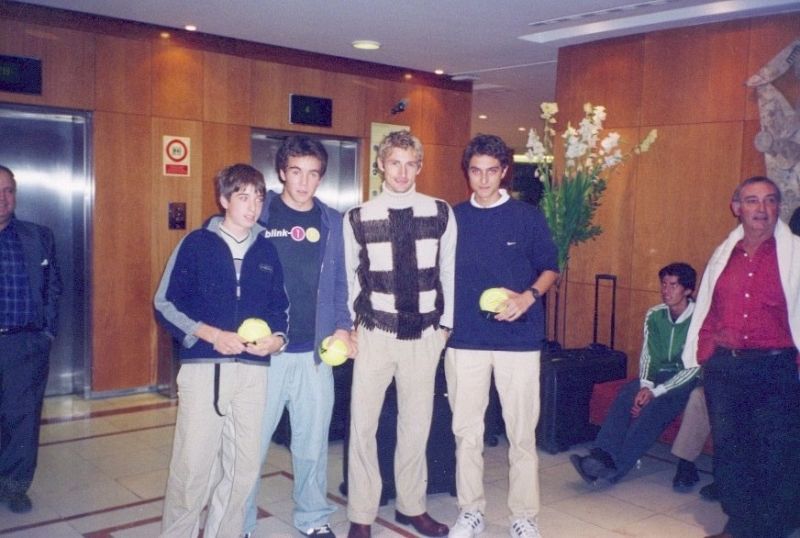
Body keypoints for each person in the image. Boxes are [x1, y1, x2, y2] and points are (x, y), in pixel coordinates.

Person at [154, 164, 289, 538]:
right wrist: (212, 335)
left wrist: (277, 339)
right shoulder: (197, 244)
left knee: (243, 470)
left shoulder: (267, 251)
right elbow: (165, 304)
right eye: (243, 197)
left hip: (253, 372)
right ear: (224, 199)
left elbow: (280, 308)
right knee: (193, 468)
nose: (252, 206)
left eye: (258, 198)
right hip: (205, 369)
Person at [236, 136, 355, 538]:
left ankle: (313, 517)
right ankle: (240, 523)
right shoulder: (259, 212)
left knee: (312, 445)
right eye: (296, 172)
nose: (304, 183)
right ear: (282, 172)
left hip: (314, 353)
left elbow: (341, 284)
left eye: (313, 174)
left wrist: (343, 326)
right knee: (248, 445)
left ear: (321, 177)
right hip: (261, 353)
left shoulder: (332, 222)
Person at [445, 135, 558, 538]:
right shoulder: (452, 219)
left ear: (504, 171)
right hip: (466, 342)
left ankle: (524, 517)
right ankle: (470, 511)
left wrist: (528, 298)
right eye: (476, 171)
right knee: (467, 434)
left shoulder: (527, 217)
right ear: (468, 172)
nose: (484, 179)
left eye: (492, 171)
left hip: (519, 342)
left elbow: (549, 269)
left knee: (522, 436)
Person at [343, 130, 455, 538]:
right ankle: (361, 514)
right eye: (395, 163)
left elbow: (449, 270)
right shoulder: (357, 216)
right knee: (363, 426)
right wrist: (352, 328)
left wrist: (446, 327)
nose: (402, 172)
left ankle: (413, 506)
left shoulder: (441, 212)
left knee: (416, 425)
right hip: (375, 333)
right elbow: (350, 278)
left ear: (419, 166)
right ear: (381, 165)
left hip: (425, 335)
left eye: (410, 163)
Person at [681, 176, 800, 538]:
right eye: (751, 200)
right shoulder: (724, 255)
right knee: (732, 453)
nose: (761, 209)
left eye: (769, 200)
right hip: (727, 368)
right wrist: (707, 354)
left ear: (778, 207)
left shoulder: (794, 254)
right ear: (737, 207)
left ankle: (772, 528)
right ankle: (740, 525)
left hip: (775, 367)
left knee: (775, 455)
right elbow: (707, 309)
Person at [570, 263, 699, 486]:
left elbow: (693, 368)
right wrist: (645, 386)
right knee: (626, 394)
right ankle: (599, 456)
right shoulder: (655, 315)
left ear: (688, 290)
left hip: (685, 381)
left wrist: (655, 392)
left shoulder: (700, 318)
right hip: (658, 376)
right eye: (664, 284)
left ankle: (616, 469)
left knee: (654, 410)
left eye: (673, 285)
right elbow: (648, 355)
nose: (666, 290)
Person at [0, 165, 62, 514]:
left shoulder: (38, 236)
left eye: (8, 190)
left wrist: (46, 333)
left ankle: (14, 486)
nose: (2, 199)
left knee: (22, 420)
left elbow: (54, 286)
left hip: (25, 344)